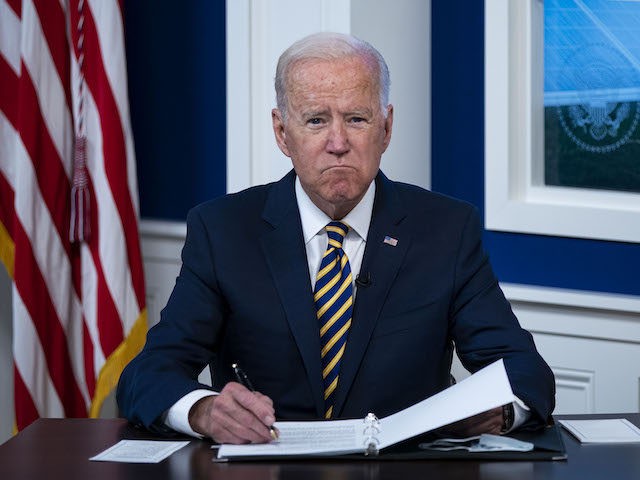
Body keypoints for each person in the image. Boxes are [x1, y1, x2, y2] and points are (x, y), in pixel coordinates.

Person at [117, 32, 555, 445]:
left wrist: (496, 410)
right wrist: (204, 411)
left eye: (357, 119)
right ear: (282, 132)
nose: (338, 142)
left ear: (385, 128)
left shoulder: (446, 228)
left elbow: (524, 372)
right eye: (316, 120)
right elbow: (147, 375)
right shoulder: (223, 230)